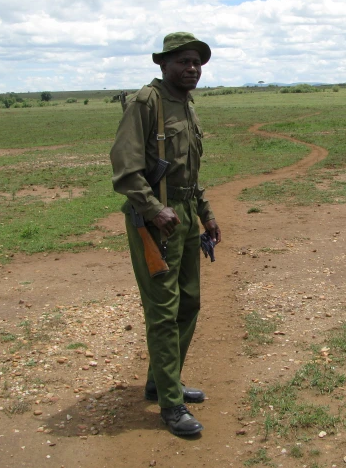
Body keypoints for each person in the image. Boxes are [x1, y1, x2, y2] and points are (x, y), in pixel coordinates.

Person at [110, 32, 221, 436]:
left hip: (187, 214)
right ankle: (171, 406)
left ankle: (162, 381)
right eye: (184, 62)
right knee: (163, 310)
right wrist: (154, 210)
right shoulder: (147, 103)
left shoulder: (186, 105)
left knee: (189, 303)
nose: (192, 69)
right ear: (163, 64)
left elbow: (189, 171)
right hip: (157, 220)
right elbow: (125, 170)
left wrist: (205, 213)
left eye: (197, 63)